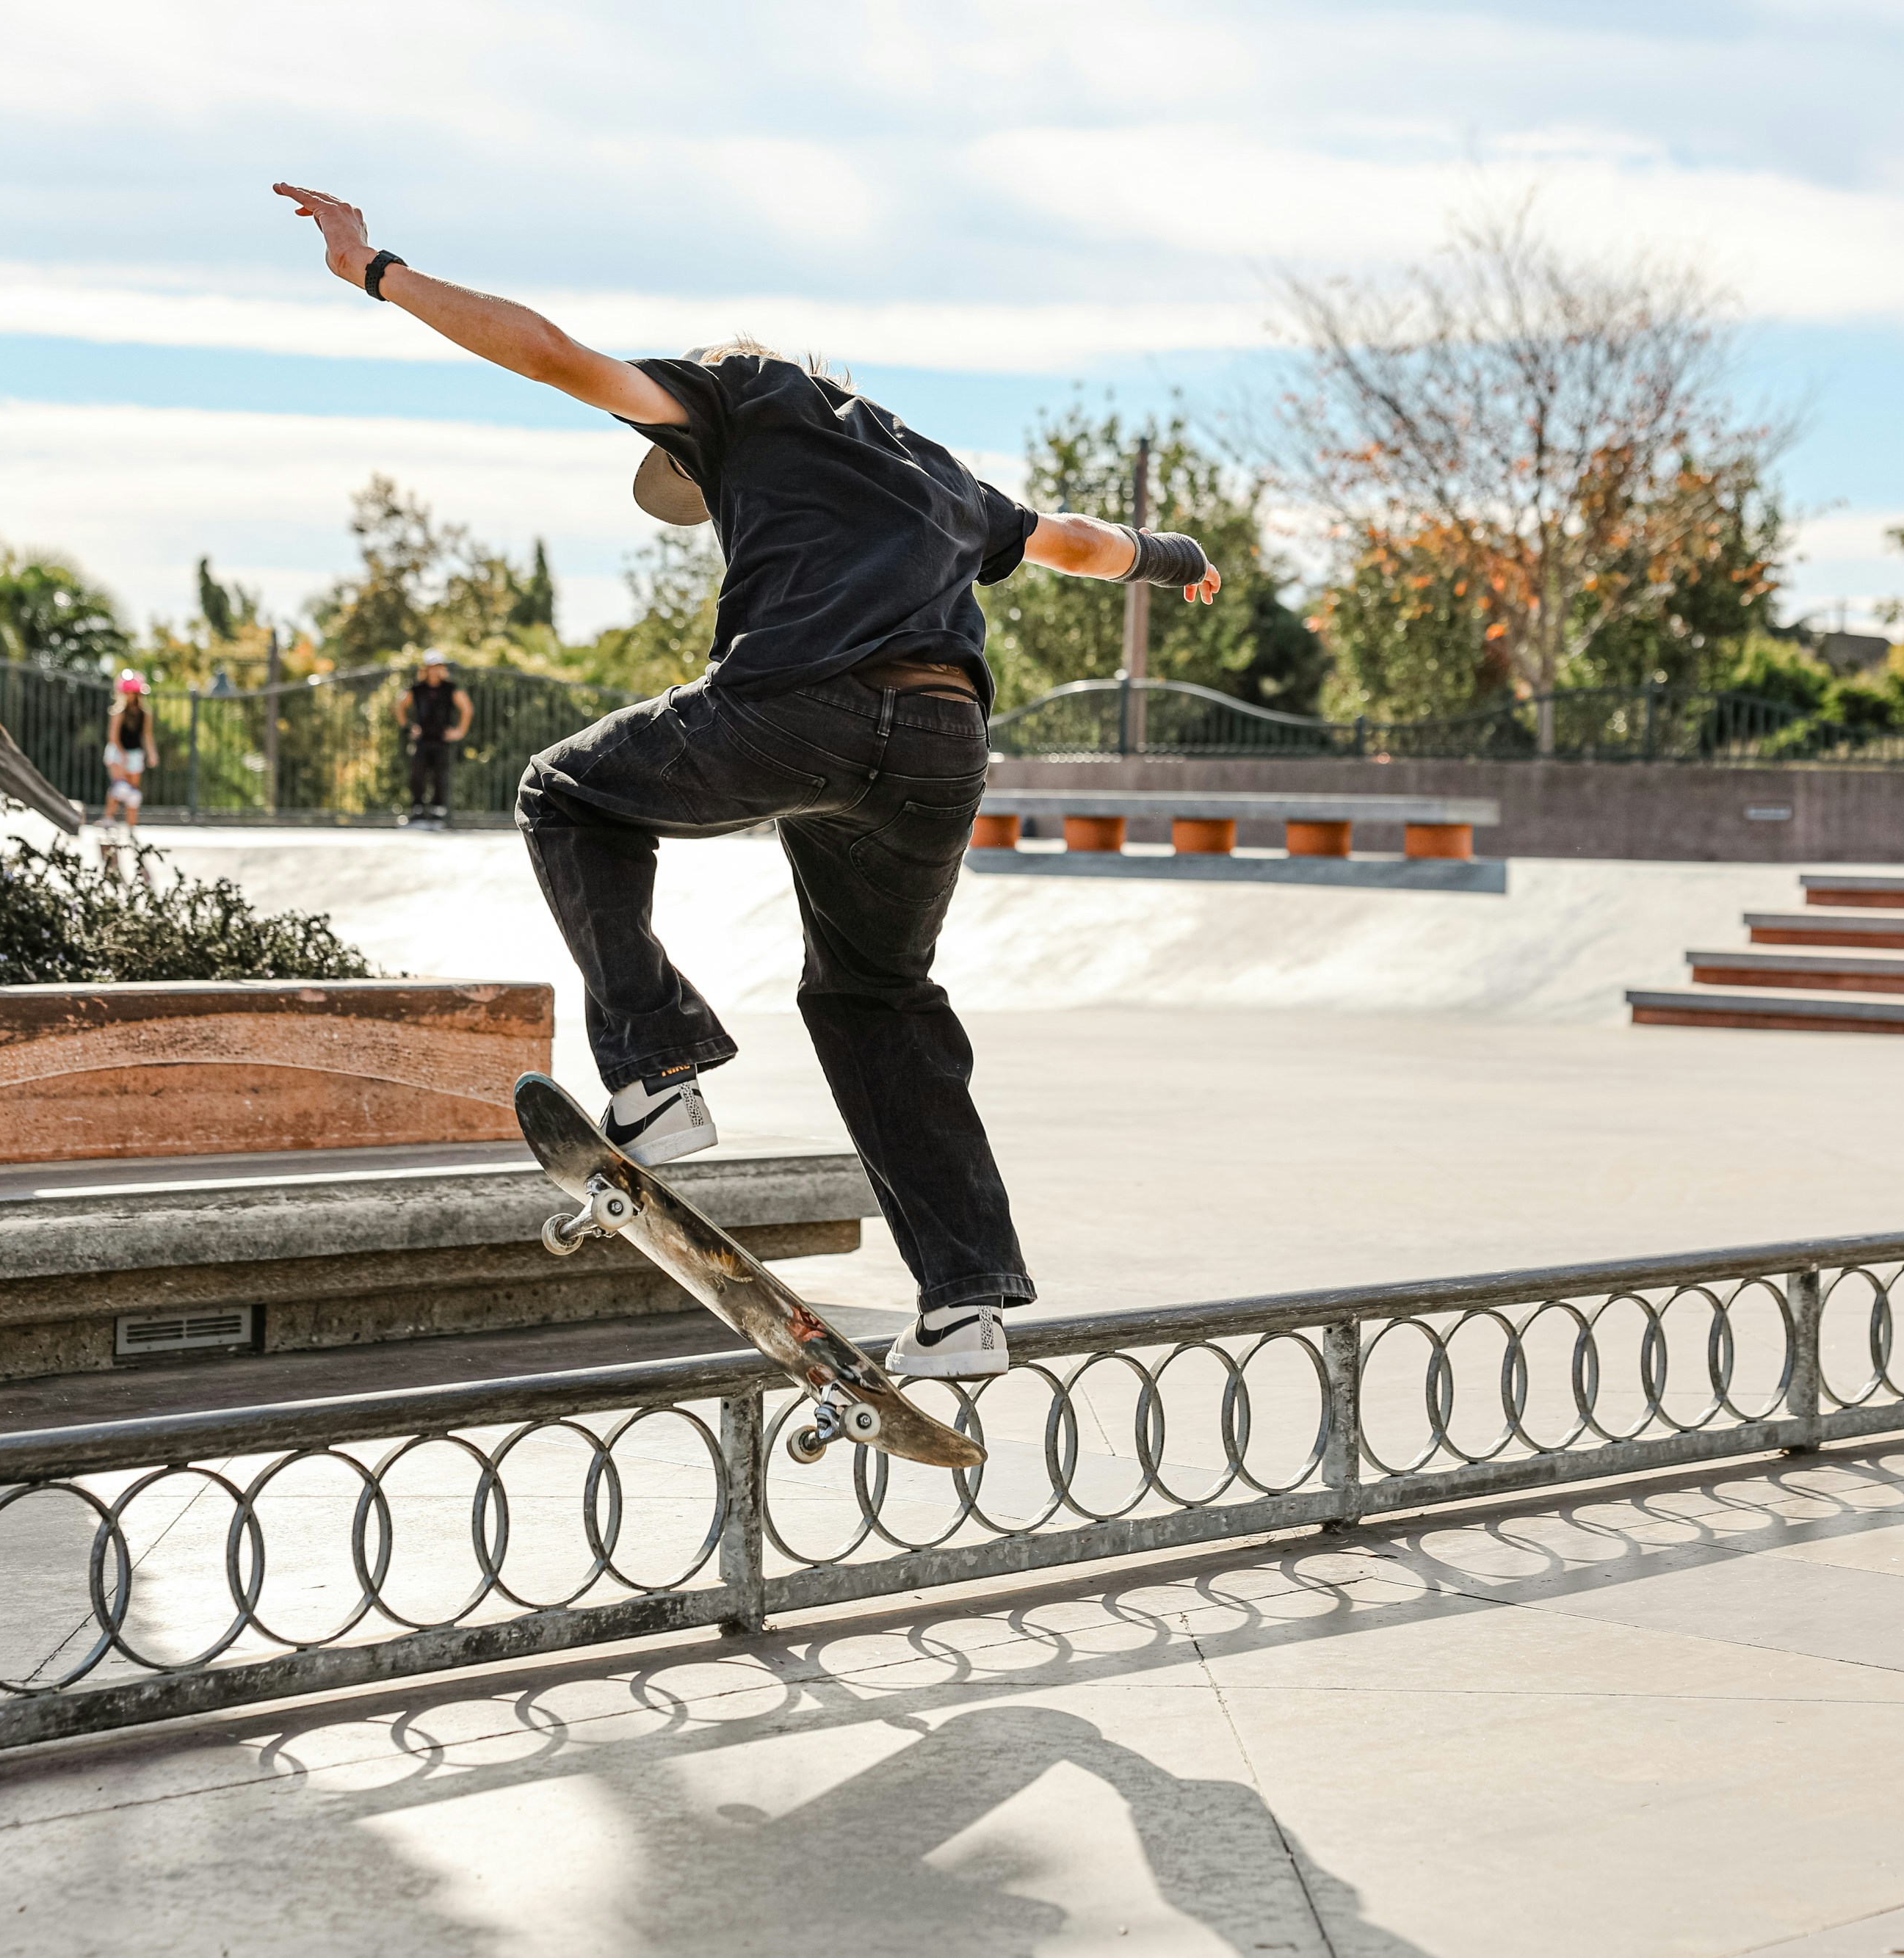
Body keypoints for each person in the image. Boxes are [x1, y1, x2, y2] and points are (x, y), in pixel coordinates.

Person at [276, 181, 1218, 1379]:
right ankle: (967, 1301)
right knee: (879, 994)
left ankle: (659, 1072)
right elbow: (1082, 545)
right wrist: (1178, 558)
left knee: (566, 793)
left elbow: (555, 355)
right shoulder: (935, 470)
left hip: (801, 703)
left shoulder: (740, 390)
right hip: (940, 741)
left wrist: (377, 271)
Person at [396, 648, 474, 827]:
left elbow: (467, 708)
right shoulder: (416, 689)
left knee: (440, 775)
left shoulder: (450, 688)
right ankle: (417, 810)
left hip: (441, 739)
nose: (435, 670)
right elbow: (400, 706)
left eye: (438, 666)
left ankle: (438, 811)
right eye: (432, 667)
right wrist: (408, 728)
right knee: (418, 773)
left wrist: (459, 731)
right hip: (422, 739)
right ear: (426, 668)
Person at [102, 670, 156, 835]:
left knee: (133, 794)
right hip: (118, 753)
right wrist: (122, 755)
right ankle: (108, 819)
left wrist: (152, 753)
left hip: (135, 754)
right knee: (121, 788)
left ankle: (131, 827)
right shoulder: (118, 712)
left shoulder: (144, 713)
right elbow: (113, 737)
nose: (130, 696)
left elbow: (147, 735)